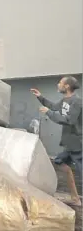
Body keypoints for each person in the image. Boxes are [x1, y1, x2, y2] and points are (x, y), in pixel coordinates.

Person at [31, 76, 82, 206]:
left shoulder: (77, 102)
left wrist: (49, 113)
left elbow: (69, 120)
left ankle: (76, 198)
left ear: (67, 87)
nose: (58, 85)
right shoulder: (65, 100)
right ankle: (75, 198)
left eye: (60, 83)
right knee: (59, 162)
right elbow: (53, 107)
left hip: (78, 144)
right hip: (70, 144)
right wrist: (40, 97)